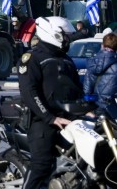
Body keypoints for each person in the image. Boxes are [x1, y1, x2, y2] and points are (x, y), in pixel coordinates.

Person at [20, 16, 87, 189]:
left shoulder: (66, 59)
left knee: (86, 162)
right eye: (65, 36)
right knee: (42, 165)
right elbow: (30, 92)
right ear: (53, 34)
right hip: (42, 121)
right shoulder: (32, 58)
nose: (67, 40)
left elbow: (77, 90)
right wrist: (50, 118)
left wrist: (88, 110)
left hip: (68, 118)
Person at [83, 32, 117, 115]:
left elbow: (87, 86)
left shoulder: (93, 62)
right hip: (110, 105)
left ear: (102, 45)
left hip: (94, 104)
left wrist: (87, 104)